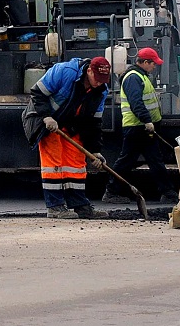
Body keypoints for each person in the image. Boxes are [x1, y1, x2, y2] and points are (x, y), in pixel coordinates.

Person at [21, 56, 112, 219]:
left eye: (103, 80)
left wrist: (95, 151)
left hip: (71, 125)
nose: (99, 83)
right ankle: (55, 207)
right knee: (53, 163)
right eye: (97, 79)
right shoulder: (64, 71)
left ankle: (80, 206)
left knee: (76, 163)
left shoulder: (101, 91)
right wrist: (47, 117)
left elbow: (94, 123)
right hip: (47, 121)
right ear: (89, 70)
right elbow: (37, 93)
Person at [102, 48, 178, 204]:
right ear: (144, 62)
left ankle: (168, 192)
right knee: (128, 161)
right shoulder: (133, 78)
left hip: (141, 127)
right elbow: (136, 102)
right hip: (138, 127)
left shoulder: (139, 76)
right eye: (153, 63)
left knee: (150, 160)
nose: (154, 67)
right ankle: (111, 191)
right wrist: (147, 120)